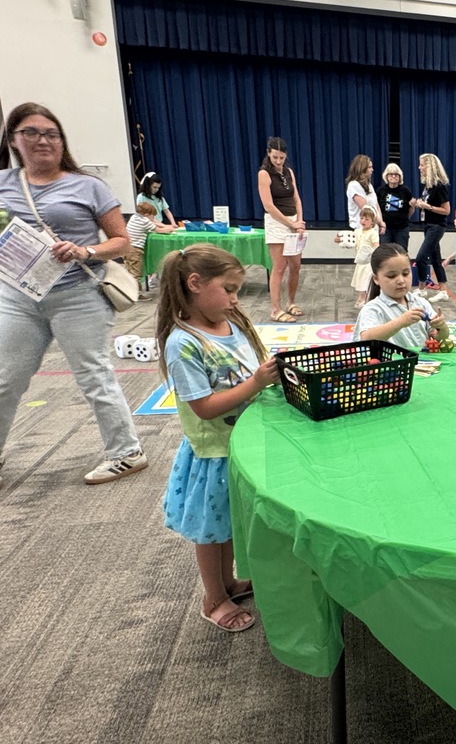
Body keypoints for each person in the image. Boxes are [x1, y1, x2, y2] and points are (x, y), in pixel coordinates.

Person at [0, 102, 148, 489]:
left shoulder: (88, 186)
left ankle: (126, 452)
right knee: (6, 379)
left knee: (93, 374)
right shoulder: (4, 183)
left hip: (77, 294)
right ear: (15, 139)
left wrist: (86, 251)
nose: (42, 140)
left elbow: (123, 242)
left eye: (51, 133)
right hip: (18, 297)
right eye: (30, 132)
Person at [156, 244, 280, 633]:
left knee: (228, 524)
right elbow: (205, 407)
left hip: (242, 444)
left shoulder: (231, 324)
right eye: (229, 288)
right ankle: (213, 598)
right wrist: (255, 382)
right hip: (214, 453)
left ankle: (228, 583)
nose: (235, 298)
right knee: (211, 533)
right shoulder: (184, 343)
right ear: (195, 283)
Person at [353, 244, 450, 350]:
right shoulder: (373, 308)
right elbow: (367, 338)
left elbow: (438, 337)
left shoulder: (421, 303)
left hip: (423, 364)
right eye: (391, 276)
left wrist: (442, 328)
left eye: (405, 273)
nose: (401, 280)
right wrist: (401, 322)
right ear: (376, 279)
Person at [257, 136, 306, 323]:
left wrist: (299, 221)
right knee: (279, 267)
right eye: (275, 157)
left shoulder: (288, 172)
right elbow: (268, 205)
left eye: (281, 158)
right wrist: (290, 223)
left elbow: (297, 199)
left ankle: (291, 302)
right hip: (276, 222)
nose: (278, 161)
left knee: (295, 265)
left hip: (293, 221)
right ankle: (275, 309)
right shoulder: (263, 174)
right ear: (269, 154)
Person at [410, 153, 452, 304]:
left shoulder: (439, 186)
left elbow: (446, 210)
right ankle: (443, 290)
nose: (419, 167)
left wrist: (428, 206)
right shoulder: (427, 186)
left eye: (422, 165)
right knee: (435, 258)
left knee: (421, 257)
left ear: (430, 166)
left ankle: (422, 289)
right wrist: (418, 204)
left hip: (436, 226)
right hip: (428, 225)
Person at [125, 200, 175, 300]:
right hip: (135, 250)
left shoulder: (135, 217)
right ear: (147, 215)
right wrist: (171, 229)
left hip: (127, 249)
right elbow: (158, 230)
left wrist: (167, 225)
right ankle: (136, 295)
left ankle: (129, 293)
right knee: (136, 273)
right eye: (152, 216)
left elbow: (155, 222)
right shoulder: (144, 221)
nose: (153, 218)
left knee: (129, 271)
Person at [375, 163, 414, 252]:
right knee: (385, 253)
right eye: (391, 174)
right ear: (386, 176)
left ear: (400, 177)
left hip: (401, 228)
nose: (393, 176)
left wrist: (412, 206)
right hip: (386, 228)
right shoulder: (381, 191)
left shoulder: (405, 191)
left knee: (401, 253)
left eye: (396, 174)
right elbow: (377, 209)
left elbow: (410, 210)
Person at [345, 154, 383, 239]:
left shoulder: (369, 185)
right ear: (362, 168)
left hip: (373, 228)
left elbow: (375, 205)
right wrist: (380, 222)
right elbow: (366, 208)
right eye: (369, 167)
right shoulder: (353, 185)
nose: (372, 170)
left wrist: (381, 221)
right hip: (361, 229)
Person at [351, 205, 381, 309]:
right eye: (362, 218)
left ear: (372, 221)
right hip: (360, 261)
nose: (363, 221)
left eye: (367, 219)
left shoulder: (373, 233)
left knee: (365, 281)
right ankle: (362, 297)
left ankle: (363, 298)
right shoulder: (358, 231)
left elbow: (377, 246)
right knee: (360, 280)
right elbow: (351, 241)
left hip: (368, 263)